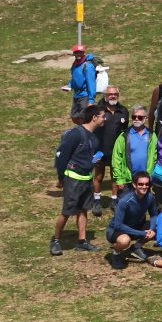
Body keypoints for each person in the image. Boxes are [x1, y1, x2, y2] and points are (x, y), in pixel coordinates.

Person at [51, 105, 105, 256]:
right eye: (102, 116)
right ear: (95, 117)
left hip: (87, 179)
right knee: (67, 212)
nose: (104, 119)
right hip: (73, 179)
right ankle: (56, 241)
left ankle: (82, 241)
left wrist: (95, 160)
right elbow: (61, 156)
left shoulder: (94, 137)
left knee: (83, 210)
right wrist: (61, 177)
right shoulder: (75, 134)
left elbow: (90, 157)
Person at [106, 171, 159, 269]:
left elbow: (154, 215)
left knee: (159, 225)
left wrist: (151, 229)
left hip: (136, 227)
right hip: (117, 230)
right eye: (141, 184)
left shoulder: (150, 197)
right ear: (134, 185)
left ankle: (136, 247)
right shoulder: (124, 201)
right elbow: (118, 225)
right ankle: (116, 254)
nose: (144, 187)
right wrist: (142, 234)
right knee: (124, 240)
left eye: (147, 184)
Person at [94, 85, 129, 215]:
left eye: (115, 94)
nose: (112, 96)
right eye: (110, 94)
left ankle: (114, 200)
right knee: (98, 176)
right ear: (105, 96)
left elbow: (125, 130)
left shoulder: (123, 111)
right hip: (100, 150)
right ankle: (96, 200)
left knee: (116, 175)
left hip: (116, 151)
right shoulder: (98, 110)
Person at [111, 105, 156, 195]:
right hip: (128, 180)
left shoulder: (152, 135)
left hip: (145, 180)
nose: (136, 119)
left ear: (145, 118)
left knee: (144, 207)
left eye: (139, 117)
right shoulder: (124, 135)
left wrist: (151, 175)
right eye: (134, 117)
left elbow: (155, 157)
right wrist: (119, 179)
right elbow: (116, 158)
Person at [67, 44, 96, 121]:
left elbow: (91, 84)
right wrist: (69, 86)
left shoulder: (88, 66)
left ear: (84, 52)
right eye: (76, 52)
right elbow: (75, 79)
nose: (78, 54)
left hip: (85, 96)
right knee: (74, 117)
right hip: (77, 95)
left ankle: (85, 132)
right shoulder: (75, 64)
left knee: (83, 118)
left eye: (80, 52)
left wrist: (91, 100)